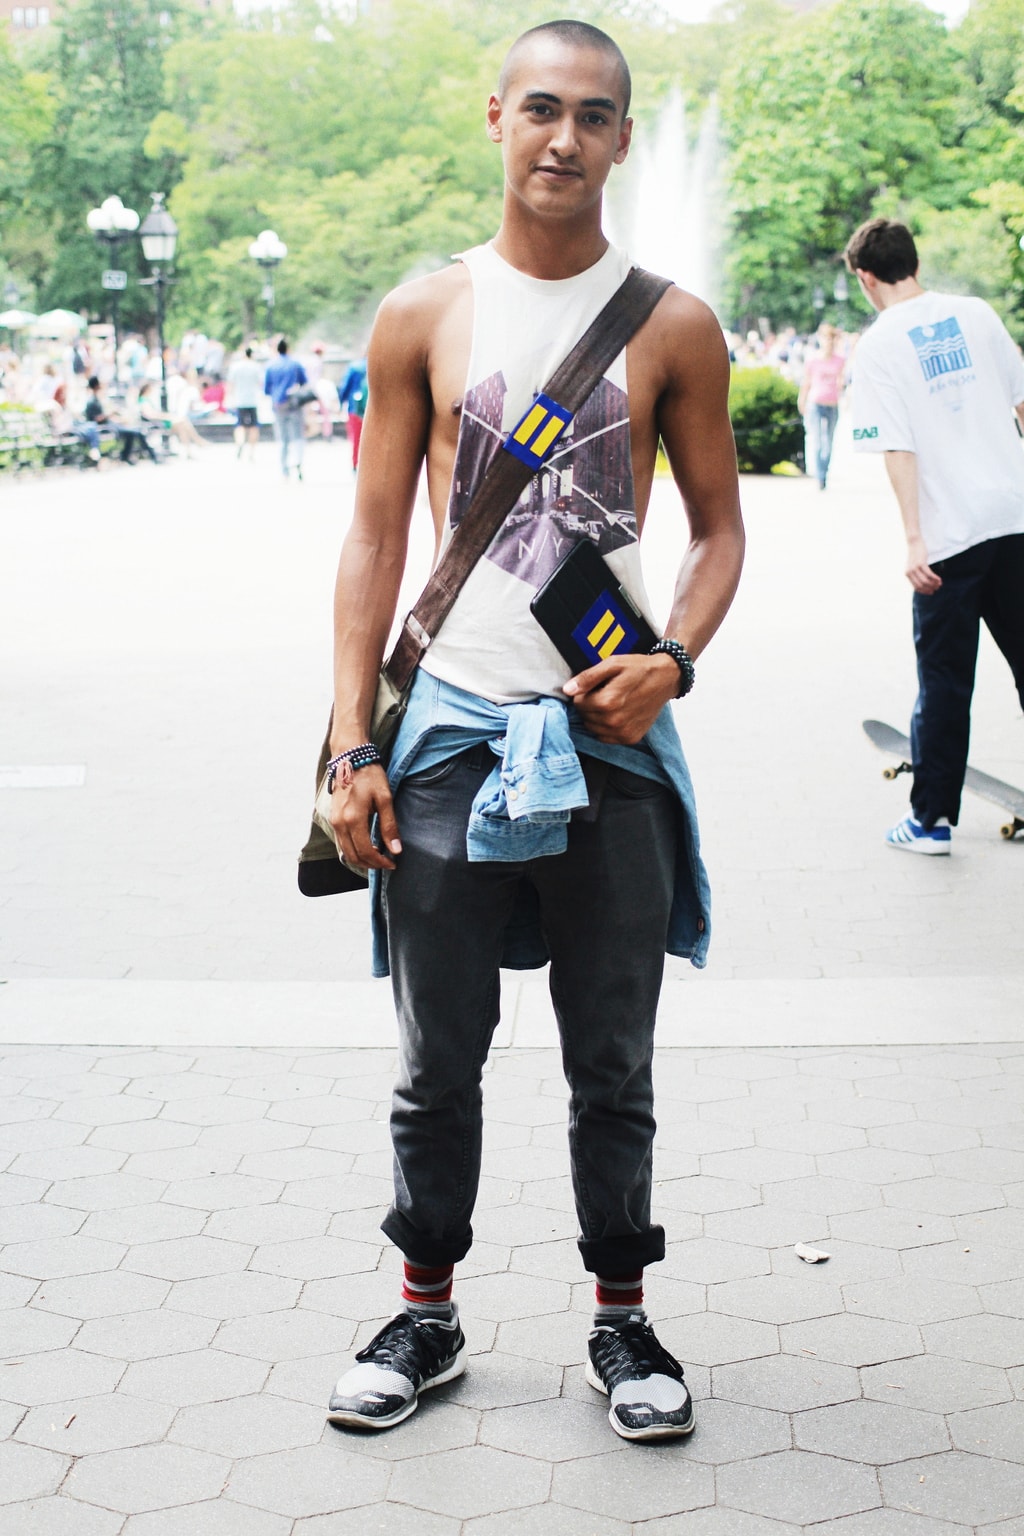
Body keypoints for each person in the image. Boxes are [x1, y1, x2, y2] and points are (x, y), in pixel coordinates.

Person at [322, 21, 744, 1443]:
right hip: (447, 732)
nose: (567, 137)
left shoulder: (675, 324)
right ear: (497, 117)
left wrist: (672, 661)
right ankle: (424, 1307)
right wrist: (347, 743)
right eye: (544, 109)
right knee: (438, 1053)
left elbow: (721, 533)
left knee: (610, 1055)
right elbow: (376, 534)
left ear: (624, 138)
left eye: (598, 116)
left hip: (606, 737)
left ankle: (623, 1321)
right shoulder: (423, 315)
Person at [845, 217, 1024, 853]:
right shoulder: (976, 313)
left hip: (951, 539)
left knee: (946, 681)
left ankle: (930, 822)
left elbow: (898, 447)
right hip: (1015, 519)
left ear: (865, 277)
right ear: (913, 263)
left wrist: (914, 541)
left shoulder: (878, 345)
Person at [798, 323, 845, 489]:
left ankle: (824, 471)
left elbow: (842, 381)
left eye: (831, 339)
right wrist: (801, 400)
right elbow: (807, 382)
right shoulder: (813, 360)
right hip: (816, 403)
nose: (828, 342)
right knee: (818, 441)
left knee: (829, 443)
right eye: (826, 338)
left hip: (832, 403)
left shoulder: (840, 360)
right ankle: (820, 476)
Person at [264, 337, 308, 479]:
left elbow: (266, 389)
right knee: (298, 435)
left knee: (282, 437)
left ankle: (284, 468)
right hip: (294, 403)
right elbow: (304, 382)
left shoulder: (271, 365)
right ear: (288, 348)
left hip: (278, 404)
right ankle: (298, 463)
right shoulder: (295, 364)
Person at [227, 345, 264, 461]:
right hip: (253, 400)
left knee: (240, 425)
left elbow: (231, 384)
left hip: (239, 400)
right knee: (254, 426)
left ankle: (240, 442)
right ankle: (251, 452)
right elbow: (261, 383)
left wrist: (229, 398)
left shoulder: (235, 367)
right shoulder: (256, 367)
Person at [336, 356, 368, 472]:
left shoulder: (354, 367)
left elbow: (345, 388)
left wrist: (340, 403)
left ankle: (355, 465)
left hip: (355, 407)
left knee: (356, 438)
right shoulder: (379, 365)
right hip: (374, 410)